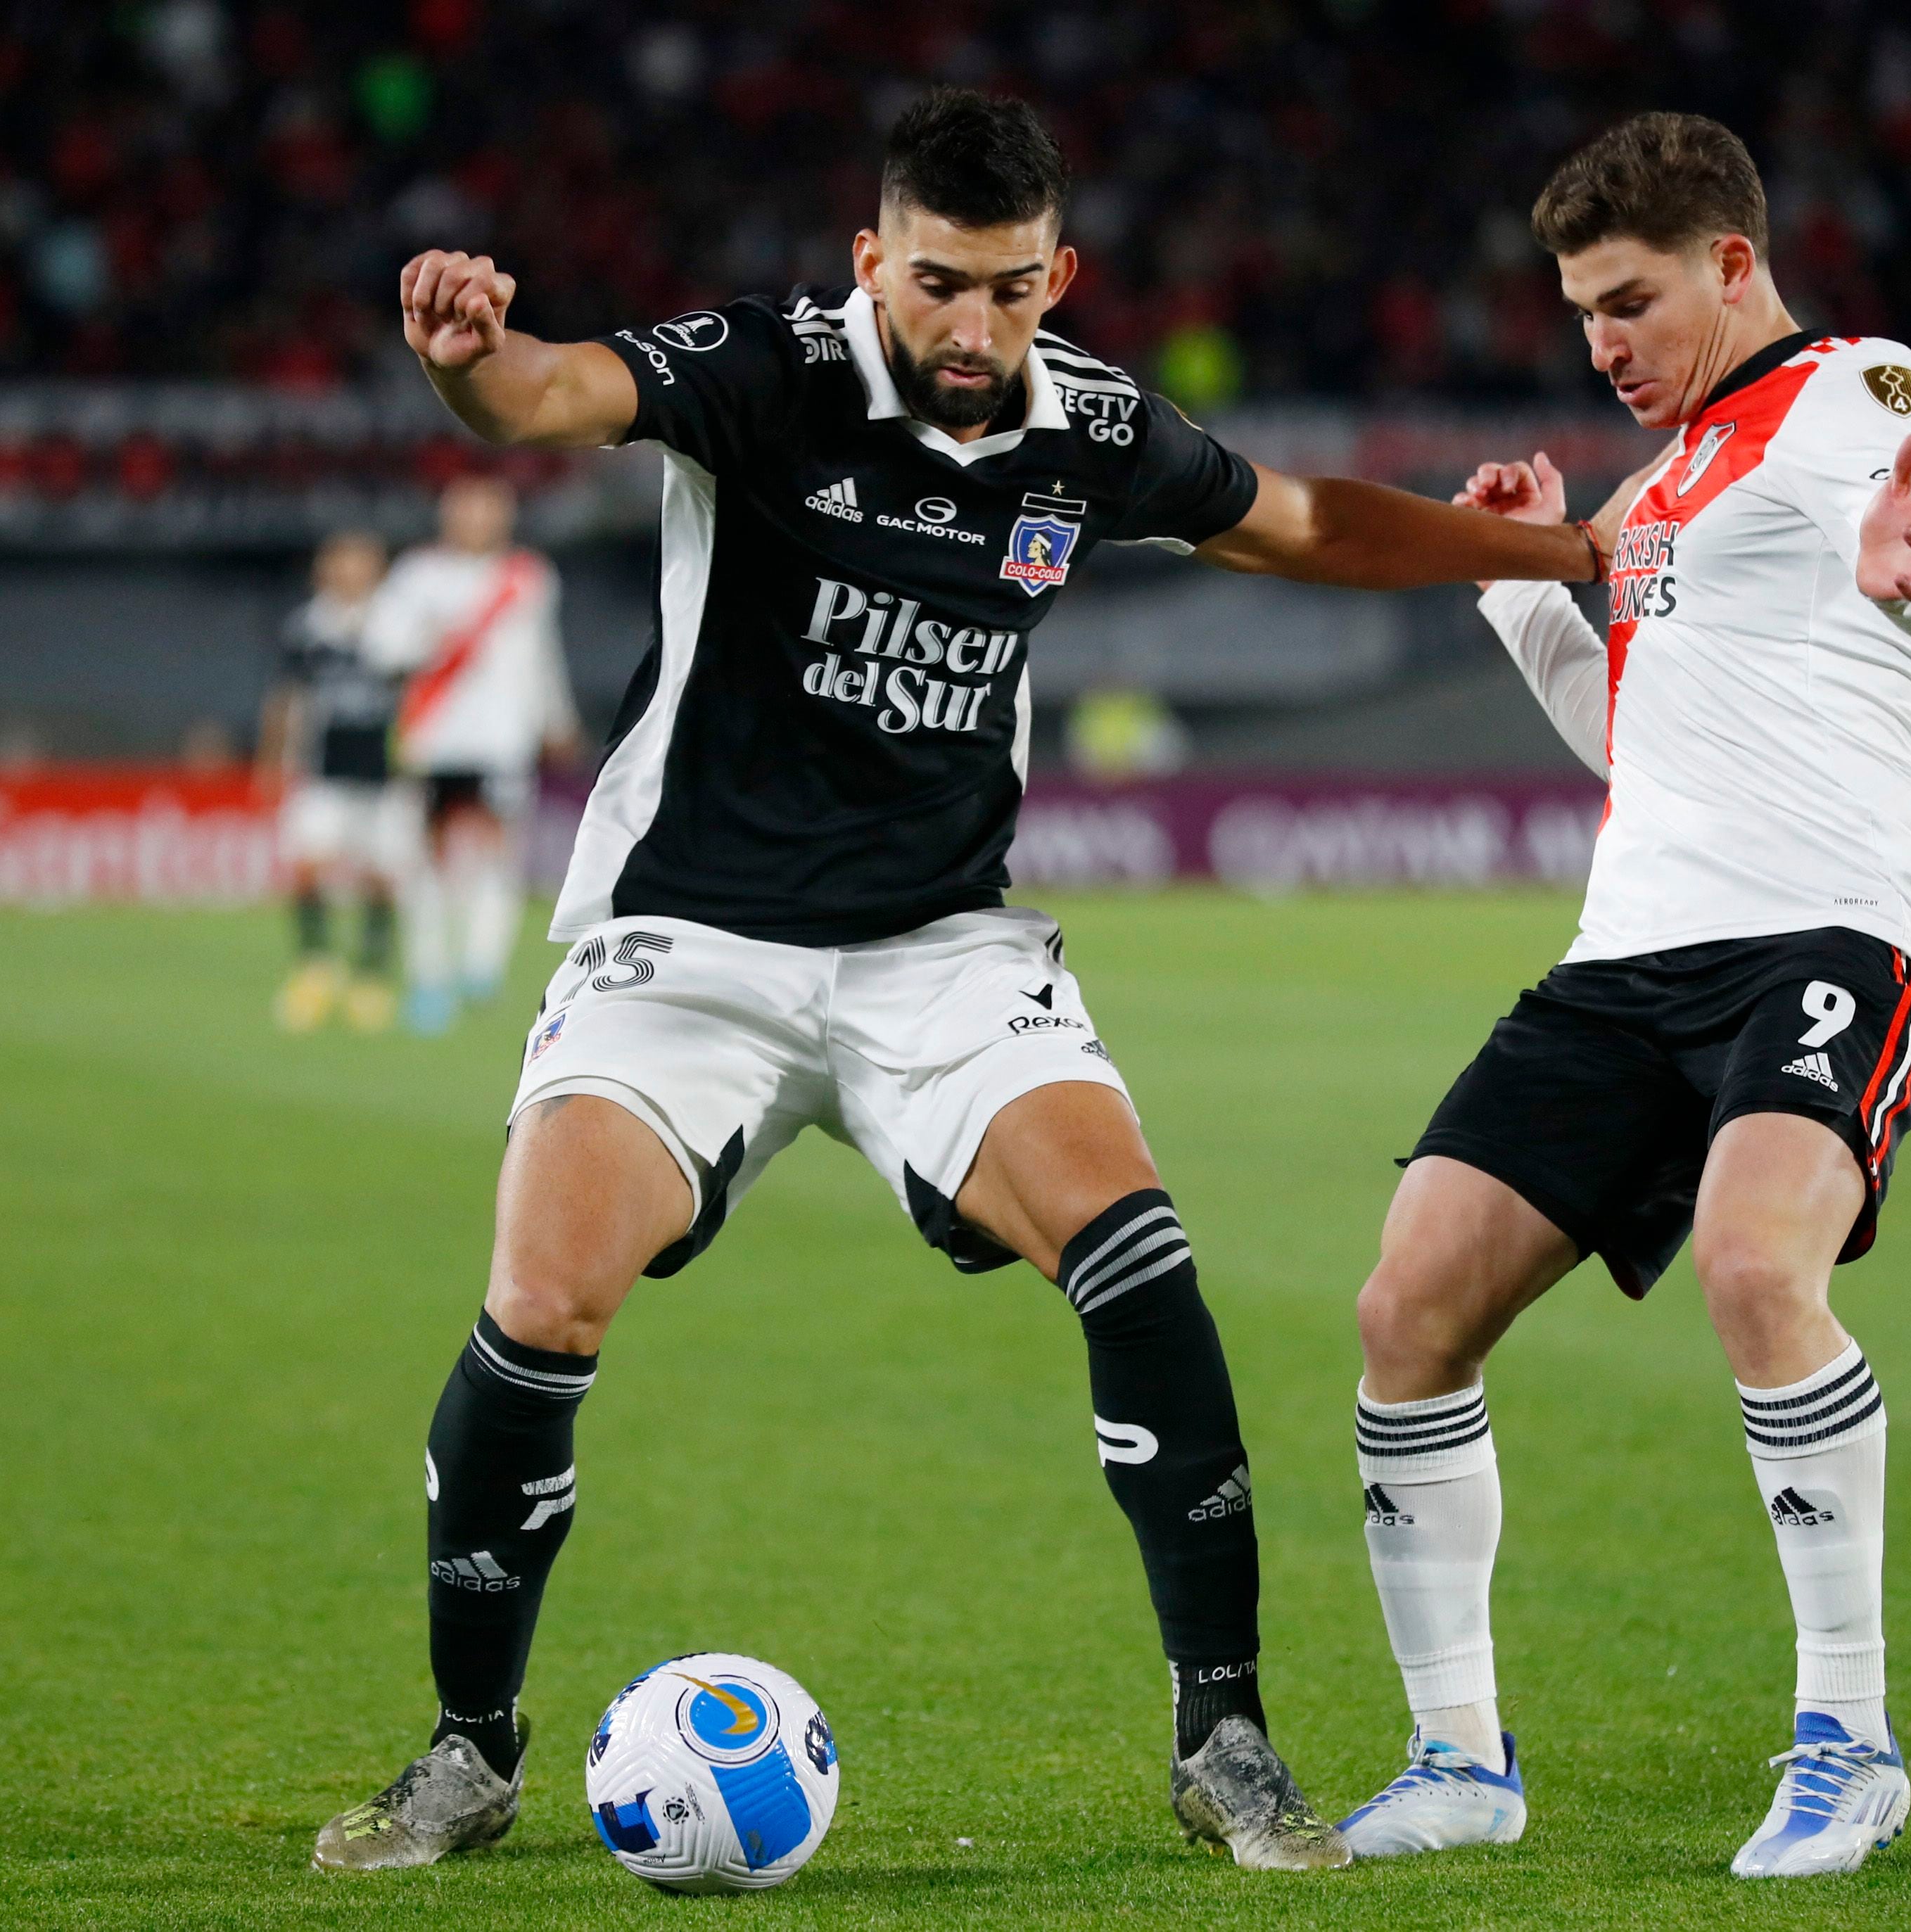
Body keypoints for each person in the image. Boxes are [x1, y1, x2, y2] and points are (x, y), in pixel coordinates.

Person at [312, 87, 1601, 1877]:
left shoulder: (1087, 427)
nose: (973, 331)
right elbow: (550, 392)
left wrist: (1556, 552)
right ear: (869, 262)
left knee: (1139, 1251)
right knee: (541, 1303)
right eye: (936, 287)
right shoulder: (763, 370)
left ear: (1056, 274)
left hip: (938, 946)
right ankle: (468, 1748)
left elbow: (1299, 522)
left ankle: (1222, 1737)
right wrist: (470, 358)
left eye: (1008, 291)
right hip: (689, 940)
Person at [1328, 113, 1911, 1879]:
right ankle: (1458, 1757)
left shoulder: (1857, 392)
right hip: (1631, 950)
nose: (1598, 345)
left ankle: (1845, 1736)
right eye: (1575, 316)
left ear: (1727, 261)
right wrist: (1521, 587)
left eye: (1626, 302)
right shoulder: (1648, 493)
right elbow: (1622, 734)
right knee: (1405, 1306)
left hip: (1829, 931)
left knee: (1753, 1259)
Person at [364, 475, 580, 1035]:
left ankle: (481, 966)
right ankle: (431, 975)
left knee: (497, 851)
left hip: (502, 737)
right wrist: (425, 643)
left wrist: (556, 720)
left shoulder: (528, 576)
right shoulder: (417, 575)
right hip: (432, 736)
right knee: (427, 858)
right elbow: (380, 647)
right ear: (446, 515)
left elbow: (541, 655)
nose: (478, 520)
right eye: (467, 509)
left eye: (490, 510)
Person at [260, 530, 407, 1034]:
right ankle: (315, 966)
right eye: (340, 561)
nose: (350, 571)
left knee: (381, 875)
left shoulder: (400, 625)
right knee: (307, 867)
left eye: (361, 560)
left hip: (388, 775)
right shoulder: (307, 628)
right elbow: (286, 697)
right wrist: (272, 759)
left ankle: (370, 978)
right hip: (321, 770)